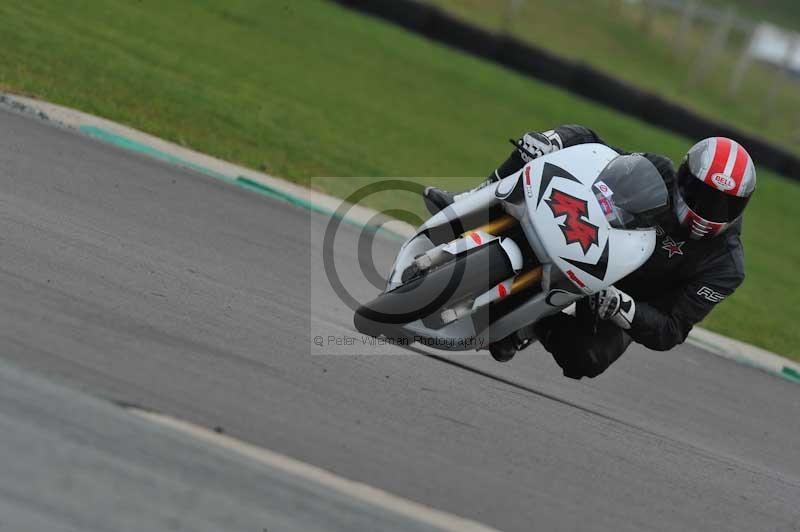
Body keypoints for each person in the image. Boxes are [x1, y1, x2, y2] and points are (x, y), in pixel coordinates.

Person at [423, 125, 756, 378]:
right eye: (700, 193)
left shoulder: (726, 266)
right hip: (591, 244)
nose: (707, 208)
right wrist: (554, 141)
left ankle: (535, 323)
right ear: (684, 177)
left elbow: (672, 328)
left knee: (587, 359)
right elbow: (596, 150)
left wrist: (622, 307)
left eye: (724, 204)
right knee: (536, 149)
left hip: (624, 295)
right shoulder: (659, 173)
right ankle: (468, 201)